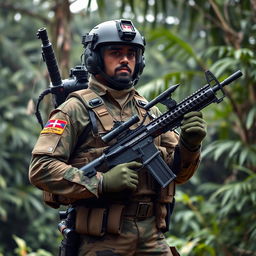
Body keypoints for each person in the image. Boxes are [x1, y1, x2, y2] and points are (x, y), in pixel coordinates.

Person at [29, 19, 207, 256]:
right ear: (95, 58)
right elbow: (41, 168)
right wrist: (100, 182)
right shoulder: (75, 109)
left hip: (153, 237)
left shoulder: (150, 111)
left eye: (132, 54)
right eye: (116, 52)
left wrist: (190, 145)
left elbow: (178, 176)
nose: (125, 59)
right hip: (102, 240)